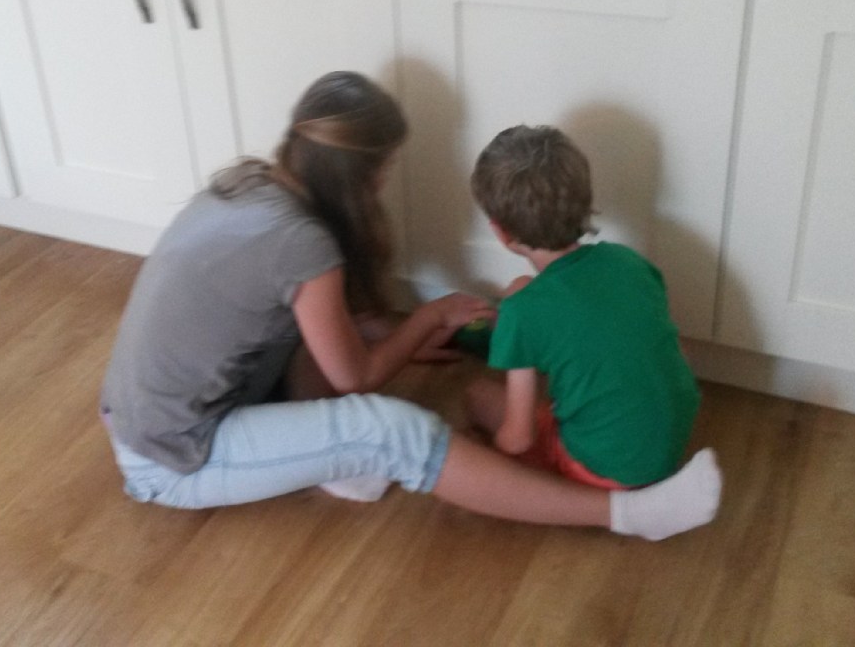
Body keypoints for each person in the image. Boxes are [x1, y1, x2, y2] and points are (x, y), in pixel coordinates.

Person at [100, 72, 720, 540]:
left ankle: (320, 455)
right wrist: (428, 317)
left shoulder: (251, 185)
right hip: (176, 457)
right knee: (392, 431)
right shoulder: (303, 243)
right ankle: (628, 513)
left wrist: (420, 334)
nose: (387, 182)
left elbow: (340, 323)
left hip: (153, 415)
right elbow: (356, 375)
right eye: (386, 169)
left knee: (322, 354)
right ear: (360, 178)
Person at [465, 124, 715, 504]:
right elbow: (672, 351)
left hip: (605, 469)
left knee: (477, 396)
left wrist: (490, 457)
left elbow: (518, 439)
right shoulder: (628, 262)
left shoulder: (520, 313)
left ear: (501, 233)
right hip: (671, 445)